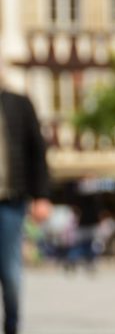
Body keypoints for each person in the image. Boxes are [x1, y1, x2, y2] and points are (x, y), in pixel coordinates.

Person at [0, 88, 51, 334]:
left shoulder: (18, 103)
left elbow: (37, 151)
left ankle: (11, 326)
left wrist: (41, 196)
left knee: (10, 272)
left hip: (10, 201)